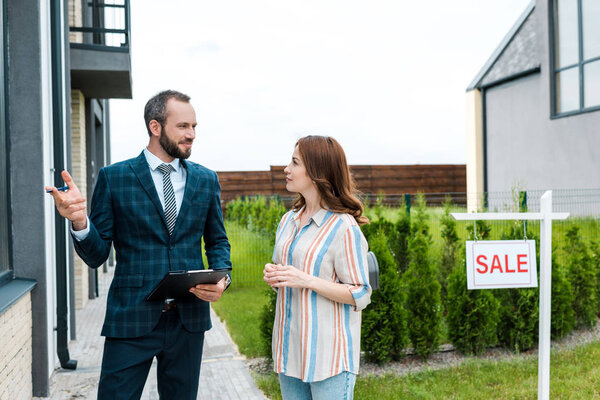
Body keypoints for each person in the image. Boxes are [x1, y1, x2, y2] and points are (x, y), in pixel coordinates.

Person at [45, 90, 232, 400]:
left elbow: (217, 240)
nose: (191, 135)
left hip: (189, 321)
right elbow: (97, 254)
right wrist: (79, 221)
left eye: (194, 127)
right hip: (131, 318)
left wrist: (222, 278)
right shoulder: (114, 178)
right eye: (183, 126)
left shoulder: (206, 179)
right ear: (155, 127)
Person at [263, 135, 371, 400]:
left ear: (316, 172)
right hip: (290, 353)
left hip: (329, 360)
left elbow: (361, 293)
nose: (287, 169)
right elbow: (290, 275)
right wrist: (276, 276)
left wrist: (307, 280)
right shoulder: (287, 220)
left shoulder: (344, 227)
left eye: (295, 162)